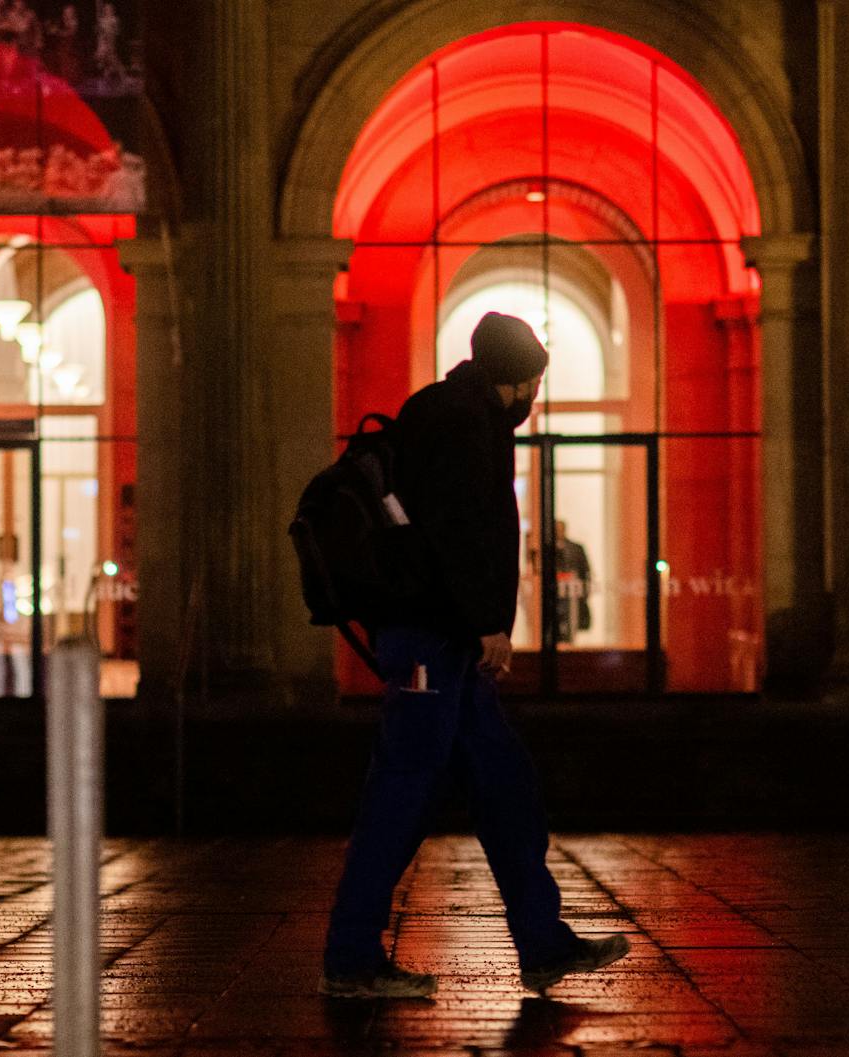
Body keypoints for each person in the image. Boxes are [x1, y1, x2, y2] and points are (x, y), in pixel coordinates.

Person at [320, 312, 630, 999]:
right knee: (404, 789)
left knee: (504, 784)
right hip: (432, 639)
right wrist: (488, 622)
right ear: (512, 378)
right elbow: (459, 535)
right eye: (533, 383)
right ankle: (350, 957)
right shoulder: (460, 421)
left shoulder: (455, 411)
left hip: (443, 640)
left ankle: (543, 943)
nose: (534, 397)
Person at [552, 520, 592, 644]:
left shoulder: (576, 548)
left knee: (571, 621)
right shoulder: (548, 548)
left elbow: (585, 571)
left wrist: (584, 591)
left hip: (573, 594)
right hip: (555, 595)